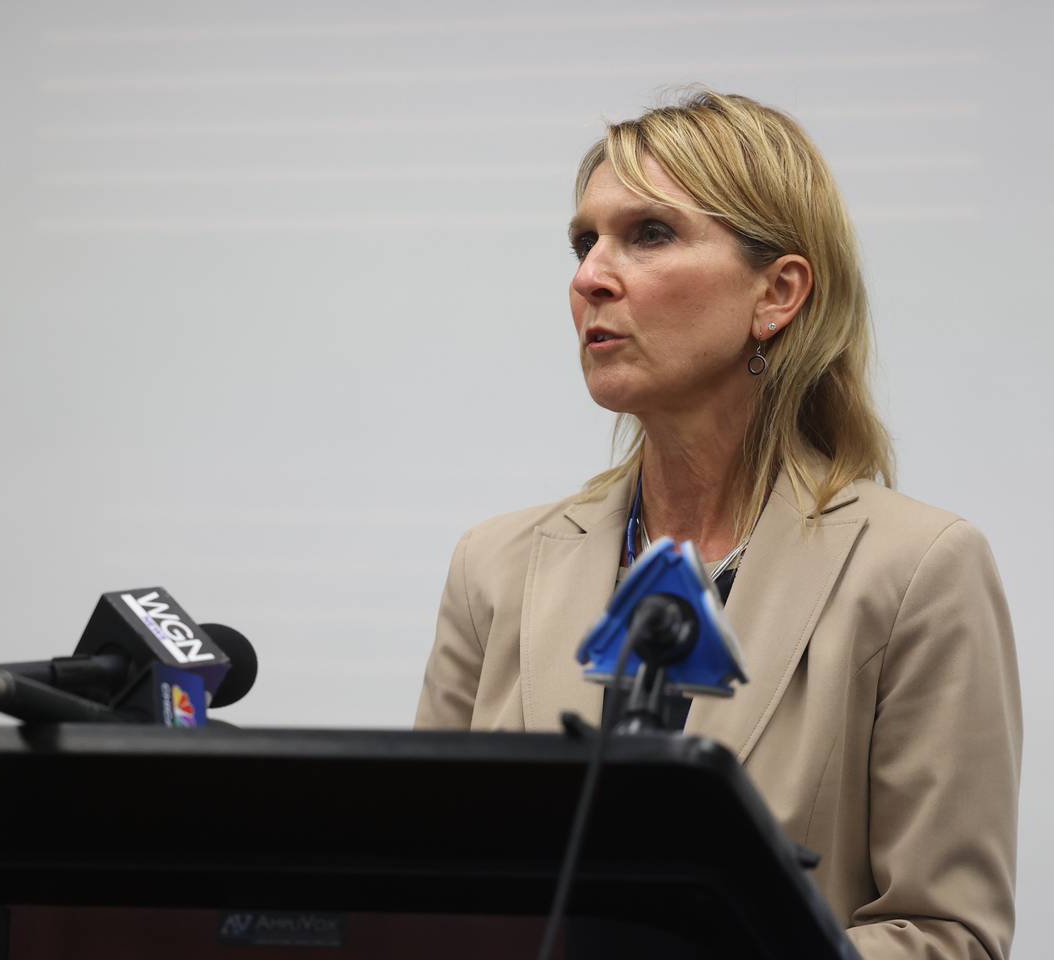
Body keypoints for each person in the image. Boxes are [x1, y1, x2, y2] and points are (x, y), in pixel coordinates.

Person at [414, 89, 1022, 960]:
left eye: (649, 234)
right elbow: (419, 892)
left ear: (777, 293)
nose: (591, 275)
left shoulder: (917, 570)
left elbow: (947, 936)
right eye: (585, 242)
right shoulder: (495, 567)